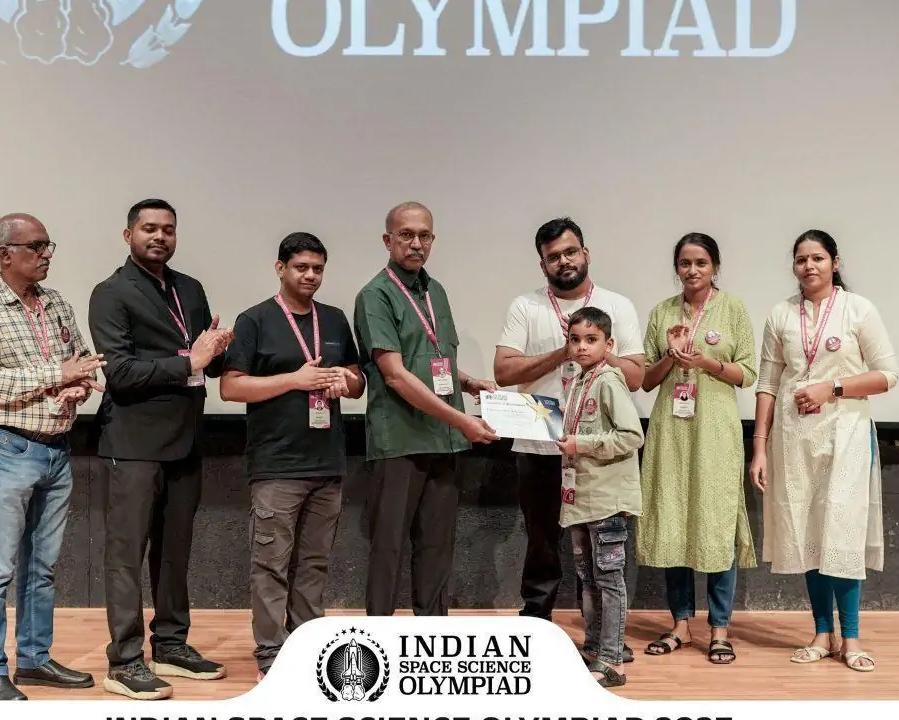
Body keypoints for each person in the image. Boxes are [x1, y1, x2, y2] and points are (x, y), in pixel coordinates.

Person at [0, 213, 105, 700]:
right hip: (5, 448)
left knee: (42, 567)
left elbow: (80, 360)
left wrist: (79, 384)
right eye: (36, 246)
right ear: (5, 254)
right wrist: (56, 376)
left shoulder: (55, 303)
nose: (47, 254)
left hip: (56, 449)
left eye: (48, 245)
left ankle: (35, 660)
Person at [88, 199, 233, 700]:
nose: (160, 237)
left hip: (185, 439)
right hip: (133, 443)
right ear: (127, 235)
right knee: (126, 556)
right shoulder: (110, 293)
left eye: (168, 229)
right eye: (149, 228)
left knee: (175, 553)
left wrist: (219, 350)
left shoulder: (190, 288)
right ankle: (125, 660)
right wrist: (189, 361)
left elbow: (204, 359)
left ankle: (170, 645)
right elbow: (120, 373)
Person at [493, 217, 645, 657]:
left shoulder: (617, 305)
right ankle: (536, 628)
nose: (564, 261)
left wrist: (593, 349)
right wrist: (563, 350)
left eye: (570, 251)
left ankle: (604, 636)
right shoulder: (526, 306)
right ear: (543, 264)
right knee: (542, 542)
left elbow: (636, 377)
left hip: (595, 453)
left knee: (598, 550)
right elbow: (504, 372)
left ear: (586, 253)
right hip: (541, 443)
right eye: (553, 256)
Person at [750, 229, 899, 673]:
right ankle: (821, 633)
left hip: (846, 435)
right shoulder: (781, 314)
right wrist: (759, 448)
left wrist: (831, 388)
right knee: (807, 534)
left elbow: (888, 375)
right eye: (801, 259)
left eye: (817, 258)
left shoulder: (858, 309)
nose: (809, 266)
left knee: (842, 533)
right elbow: (767, 384)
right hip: (794, 439)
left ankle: (851, 638)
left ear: (835, 262)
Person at [220, 232, 365, 680]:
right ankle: (271, 652)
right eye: (301, 267)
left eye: (318, 269)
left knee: (315, 564)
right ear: (280, 268)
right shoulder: (255, 320)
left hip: (327, 462)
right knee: (271, 565)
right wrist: (295, 380)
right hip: (277, 465)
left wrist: (345, 381)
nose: (310, 276)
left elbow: (359, 380)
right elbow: (230, 387)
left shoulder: (334, 319)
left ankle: (306, 645)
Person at [353, 201, 500, 616]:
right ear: (388, 240)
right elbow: (395, 376)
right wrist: (462, 420)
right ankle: (378, 637)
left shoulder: (436, 292)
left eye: (424, 235)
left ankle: (432, 634)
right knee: (388, 548)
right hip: (400, 441)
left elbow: (433, 358)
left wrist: (467, 382)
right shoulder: (375, 295)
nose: (416, 243)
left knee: (437, 547)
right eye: (406, 235)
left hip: (443, 441)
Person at [636, 233, 758, 664]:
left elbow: (748, 374)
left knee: (717, 522)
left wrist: (707, 363)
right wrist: (670, 357)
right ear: (677, 268)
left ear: (715, 267)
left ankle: (720, 628)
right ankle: (681, 626)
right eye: (685, 263)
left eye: (701, 263)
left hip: (716, 432)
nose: (692, 270)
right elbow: (645, 381)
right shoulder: (662, 312)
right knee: (674, 520)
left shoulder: (734, 309)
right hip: (671, 431)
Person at [554, 307, 644, 688]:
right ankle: (593, 648)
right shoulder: (577, 381)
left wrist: (582, 444)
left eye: (591, 340)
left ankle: (612, 660)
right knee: (587, 577)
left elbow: (632, 435)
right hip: (581, 498)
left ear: (609, 345)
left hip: (607, 499)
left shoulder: (609, 381)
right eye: (575, 339)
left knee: (608, 579)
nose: (581, 347)